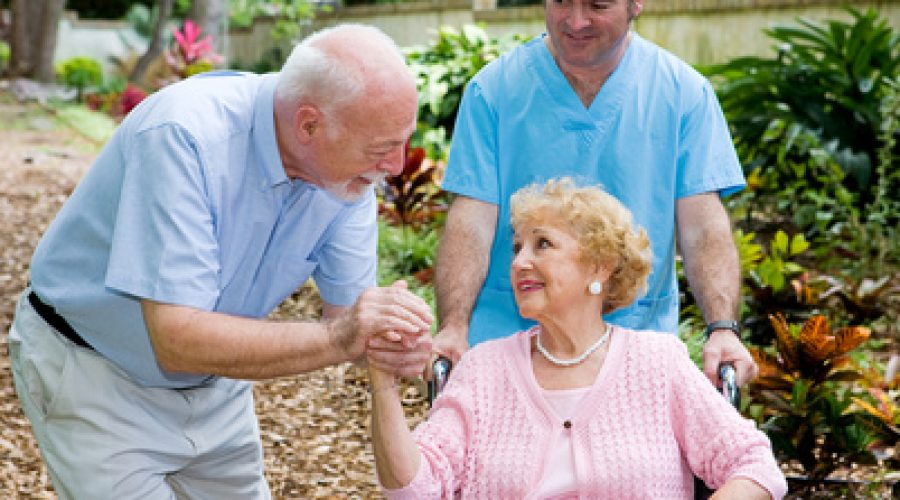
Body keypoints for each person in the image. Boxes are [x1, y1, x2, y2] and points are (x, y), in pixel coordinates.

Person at [7, 24, 433, 499]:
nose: (396, 166)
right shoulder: (183, 134)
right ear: (309, 125)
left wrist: (391, 345)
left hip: (216, 385)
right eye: (381, 149)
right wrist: (343, 337)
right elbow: (177, 338)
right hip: (94, 372)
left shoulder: (348, 179)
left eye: (403, 142)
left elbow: (350, 322)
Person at [369, 178, 786, 498]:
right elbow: (415, 489)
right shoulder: (484, 370)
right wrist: (383, 382)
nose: (520, 262)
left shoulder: (657, 364)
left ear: (600, 268)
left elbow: (754, 464)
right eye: (517, 248)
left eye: (542, 244)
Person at [433, 0, 757, 386]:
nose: (576, 21)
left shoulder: (684, 94)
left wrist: (723, 328)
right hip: (508, 345)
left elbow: (703, 227)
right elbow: (471, 221)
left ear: (636, 4)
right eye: (561, 2)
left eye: (597, 5)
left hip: (635, 347)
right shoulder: (493, 92)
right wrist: (453, 327)